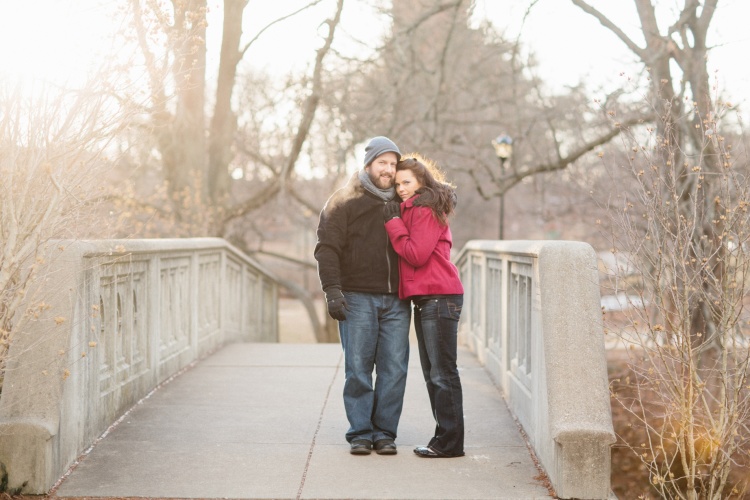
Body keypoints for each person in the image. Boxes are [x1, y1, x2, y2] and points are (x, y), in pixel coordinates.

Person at [314, 136, 412, 456]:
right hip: (356, 297)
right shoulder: (343, 200)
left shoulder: (402, 201)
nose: (387, 169)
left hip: (397, 299)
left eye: (393, 164)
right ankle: (360, 431)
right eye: (382, 162)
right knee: (357, 368)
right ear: (368, 164)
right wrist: (332, 291)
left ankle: (384, 432)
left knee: (394, 368)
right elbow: (326, 249)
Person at [383, 154, 466, 458]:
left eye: (407, 182)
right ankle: (444, 439)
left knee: (443, 374)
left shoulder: (426, 209)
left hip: (439, 297)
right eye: (397, 183)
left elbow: (416, 255)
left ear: (421, 181)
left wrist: (393, 224)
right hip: (428, 299)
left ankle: (450, 443)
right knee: (435, 373)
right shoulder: (414, 209)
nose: (401, 188)